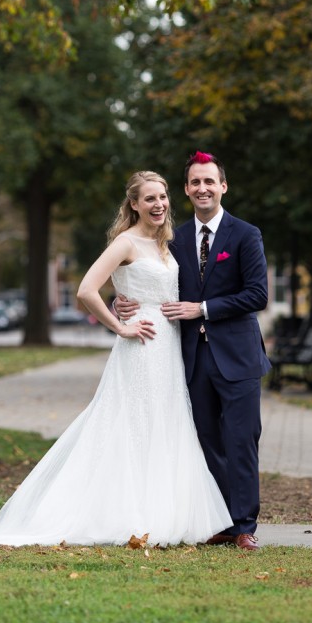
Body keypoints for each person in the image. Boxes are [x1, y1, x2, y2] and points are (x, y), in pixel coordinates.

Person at [0, 171, 231, 548]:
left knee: (165, 425)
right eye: (149, 199)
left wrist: (124, 299)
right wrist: (120, 325)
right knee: (131, 426)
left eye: (163, 197)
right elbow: (86, 289)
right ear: (133, 204)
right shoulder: (125, 242)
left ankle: (162, 513)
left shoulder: (167, 243)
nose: (159, 205)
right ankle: (125, 515)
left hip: (169, 347)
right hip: (141, 348)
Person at [115, 152, 270, 550]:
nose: (203, 188)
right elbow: (152, 281)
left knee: (241, 440)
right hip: (190, 357)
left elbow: (257, 294)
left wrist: (203, 309)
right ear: (186, 190)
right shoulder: (173, 239)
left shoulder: (245, 234)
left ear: (223, 186)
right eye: (195, 183)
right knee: (205, 440)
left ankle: (244, 526)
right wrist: (123, 303)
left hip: (237, 357)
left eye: (209, 182)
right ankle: (219, 520)